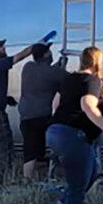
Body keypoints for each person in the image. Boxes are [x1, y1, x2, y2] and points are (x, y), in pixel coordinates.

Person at [47, 46, 103, 204]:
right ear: (97, 62)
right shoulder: (93, 80)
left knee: (90, 175)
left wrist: (60, 124)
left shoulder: (68, 79)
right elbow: (87, 106)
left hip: (55, 132)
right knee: (78, 185)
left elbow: (55, 104)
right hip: (73, 136)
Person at [0, 36, 49, 186]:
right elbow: (20, 56)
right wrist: (38, 44)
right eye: (1, 47)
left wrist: (5, 98)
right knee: (5, 152)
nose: (4, 49)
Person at [18, 43, 66, 181]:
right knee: (40, 148)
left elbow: (46, 73)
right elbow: (61, 77)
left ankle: (31, 180)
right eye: (49, 52)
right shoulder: (54, 73)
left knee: (31, 149)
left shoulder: (28, 68)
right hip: (42, 115)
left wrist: (58, 66)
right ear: (46, 55)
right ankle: (30, 180)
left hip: (26, 115)